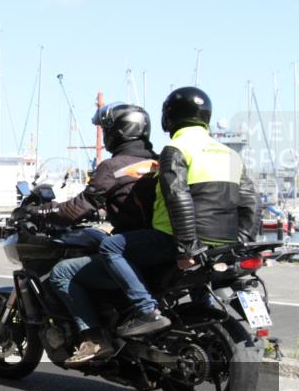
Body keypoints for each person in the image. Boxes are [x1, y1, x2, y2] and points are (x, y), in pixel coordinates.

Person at [99, 87, 260, 337]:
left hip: (175, 238)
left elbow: (178, 197)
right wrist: (243, 241)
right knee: (197, 280)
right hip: (223, 242)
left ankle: (146, 310)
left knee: (111, 247)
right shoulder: (229, 154)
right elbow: (250, 202)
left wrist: (187, 248)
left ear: (168, 118)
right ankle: (205, 324)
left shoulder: (175, 149)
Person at [26, 103, 157, 365]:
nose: (105, 135)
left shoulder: (113, 166)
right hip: (159, 244)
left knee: (63, 272)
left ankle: (94, 338)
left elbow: (78, 207)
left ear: (119, 132)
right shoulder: (156, 161)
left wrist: (42, 212)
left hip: (133, 247)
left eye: (106, 129)